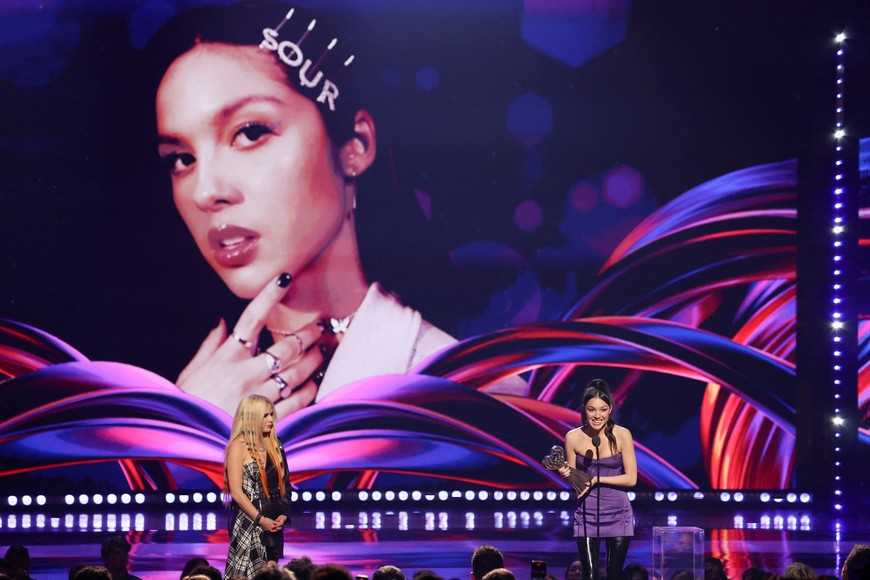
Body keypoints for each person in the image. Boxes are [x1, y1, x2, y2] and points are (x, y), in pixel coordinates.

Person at [145, 0, 461, 418]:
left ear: (355, 146)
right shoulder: (172, 395)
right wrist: (188, 437)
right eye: (181, 159)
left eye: (250, 133)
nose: (206, 191)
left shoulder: (464, 392)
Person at [558, 379, 636, 580]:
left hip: (618, 512)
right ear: (584, 410)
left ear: (610, 410)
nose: (597, 415)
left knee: (613, 574)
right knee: (590, 576)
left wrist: (597, 480)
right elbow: (576, 482)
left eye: (602, 410)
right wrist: (568, 475)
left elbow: (631, 479)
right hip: (587, 513)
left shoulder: (623, 435)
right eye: (592, 410)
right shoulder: (573, 437)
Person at [224, 395, 292, 577]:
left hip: (274, 521)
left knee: (269, 572)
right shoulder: (238, 446)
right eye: (265, 415)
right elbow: (237, 493)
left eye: (271, 415)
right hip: (249, 521)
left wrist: (284, 514)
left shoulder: (276, 445)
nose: (270, 420)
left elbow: (285, 483)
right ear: (252, 417)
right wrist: (261, 520)